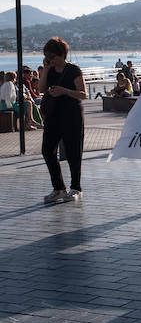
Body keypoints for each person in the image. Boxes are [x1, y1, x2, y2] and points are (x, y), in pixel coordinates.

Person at [38, 37, 87, 203]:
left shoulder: (73, 70)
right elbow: (41, 89)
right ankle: (58, 188)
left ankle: (76, 187)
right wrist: (45, 70)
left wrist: (65, 91)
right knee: (47, 150)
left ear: (61, 55)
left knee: (73, 152)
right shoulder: (49, 70)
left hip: (71, 116)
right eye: (46, 56)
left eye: (51, 56)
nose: (49, 59)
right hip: (53, 116)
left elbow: (83, 94)